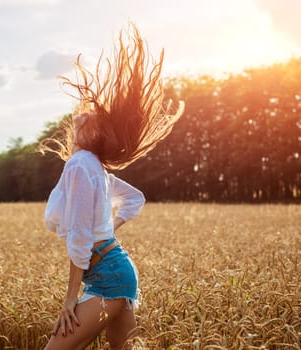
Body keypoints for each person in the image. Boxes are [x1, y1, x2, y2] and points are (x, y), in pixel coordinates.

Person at [40, 23, 184, 350]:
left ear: (95, 135)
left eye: (89, 119)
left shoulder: (82, 165)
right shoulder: (94, 167)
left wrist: (69, 300)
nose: (81, 116)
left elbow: (79, 235)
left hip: (106, 278)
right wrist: (109, 229)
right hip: (116, 270)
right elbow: (135, 199)